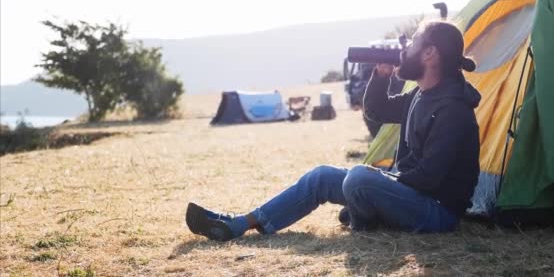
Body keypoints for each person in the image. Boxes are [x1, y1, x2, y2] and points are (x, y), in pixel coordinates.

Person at [185, 21, 481, 241]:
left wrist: (380, 182)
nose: (406, 49)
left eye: (414, 41)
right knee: (322, 176)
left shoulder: (452, 107)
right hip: (412, 195)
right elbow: (377, 110)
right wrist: (380, 76)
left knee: (360, 178)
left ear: (430, 53)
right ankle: (239, 224)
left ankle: (367, 214)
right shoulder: (421, 94)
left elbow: (429, 178)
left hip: (437, 212)